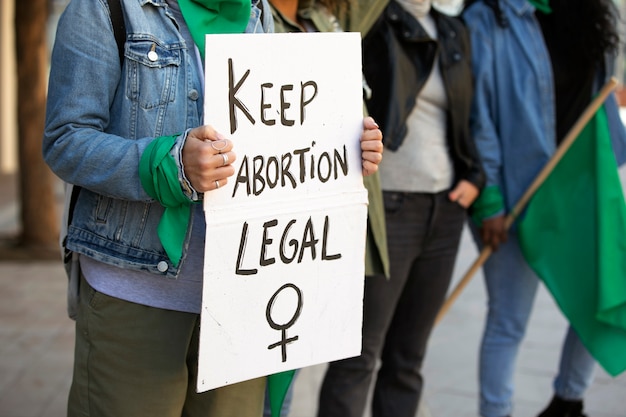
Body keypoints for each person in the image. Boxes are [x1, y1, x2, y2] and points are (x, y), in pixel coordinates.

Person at [42, 0, 384, 416]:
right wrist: (165, 164)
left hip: (243, 303)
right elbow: (66, 140)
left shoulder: (258, 12)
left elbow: (274, 141)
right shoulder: (103, 8)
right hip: (136, 297)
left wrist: (344, 148)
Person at [317, 1, 486, 416]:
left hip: (445, 209)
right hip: (387, 205)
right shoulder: (373, 20)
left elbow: (470, 115)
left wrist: (474, 178)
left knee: (408, 359)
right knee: (358, 356)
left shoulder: (452, 29)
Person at [461, 1, 626, 417]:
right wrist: (491, 200)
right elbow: (478, 118)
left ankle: (568, 402)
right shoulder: (487, 18)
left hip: (580, 186)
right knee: (508, 321)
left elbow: (600, 91)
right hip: (518, 196)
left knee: (603, 297)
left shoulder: (588, 11)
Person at [262, 0, 392, 414]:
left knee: (285, 373)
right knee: (254, 378)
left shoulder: (325, 21)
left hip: (320, 236)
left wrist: (362, 143)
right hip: (266, 235)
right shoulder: (248, 20)